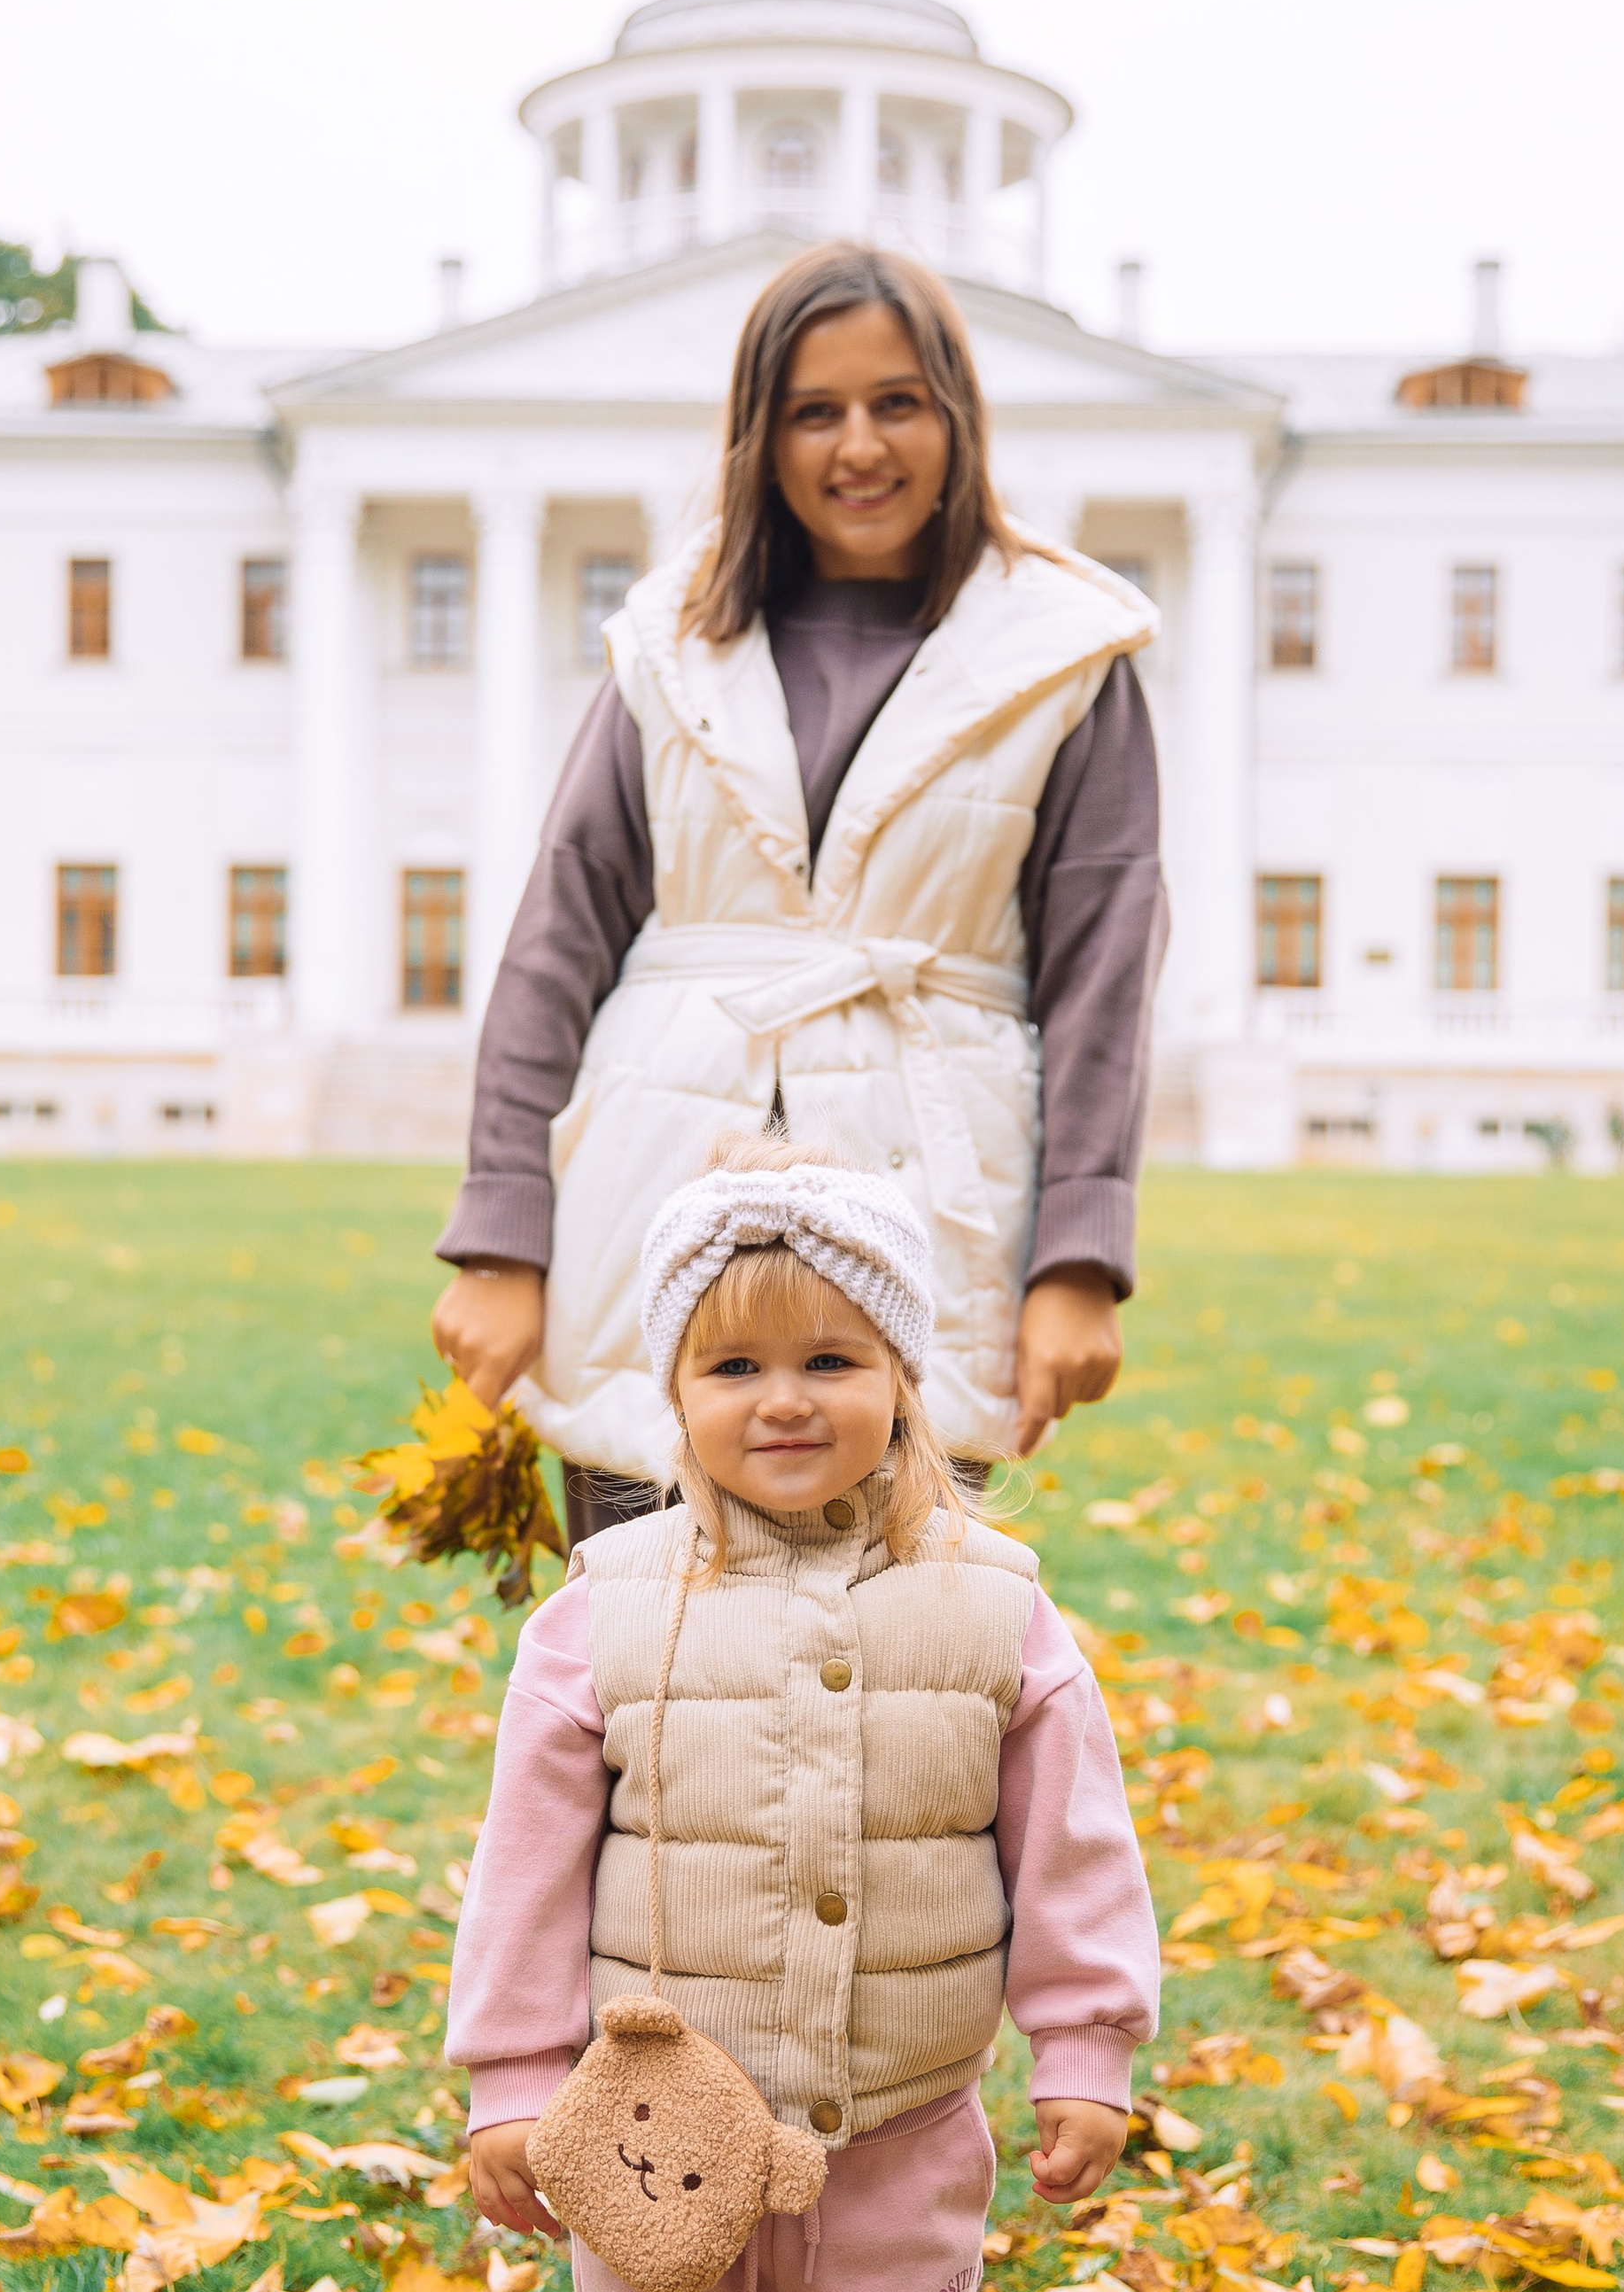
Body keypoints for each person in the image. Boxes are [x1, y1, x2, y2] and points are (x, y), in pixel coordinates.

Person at [444, 1142, 1161, 2292]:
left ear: (905, 1378)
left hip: (899, 2125)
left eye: (831, 1361)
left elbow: (1068, 1848)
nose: (782, 1402)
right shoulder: (601, 1613)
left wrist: (1084, 2049)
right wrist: (508, 2086)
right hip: (650, 2144)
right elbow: (526, 1871)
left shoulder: (994, 1604)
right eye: (733, 1365)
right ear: (667, 1391)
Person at [431, 241, 1166, 1545]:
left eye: (897, 403)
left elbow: (1103, 976)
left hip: (922, 1196)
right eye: (812, 411)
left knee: (906, 1687)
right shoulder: (668, 648)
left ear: (957, 415)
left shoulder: (1068, 655)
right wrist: (502, 1231)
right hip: (652, 1195)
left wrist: (1078, 1262)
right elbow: (562, 932)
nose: (858, 446)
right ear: (759, 437)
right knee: (642, 1681)